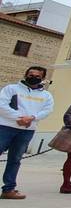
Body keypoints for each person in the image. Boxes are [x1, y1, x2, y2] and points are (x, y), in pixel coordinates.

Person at [0, 66, 54, 200]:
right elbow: (2, 105)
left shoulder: (46, 95)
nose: (33, 77)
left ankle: (9, 189)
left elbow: (47, 110)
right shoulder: (11, 89)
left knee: (15, 159)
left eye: (37, 75)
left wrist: (32, 118)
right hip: (6, 127)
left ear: (42, 78)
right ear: (26, 75)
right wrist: (19, 117)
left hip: (27, 130)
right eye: (31, 74)